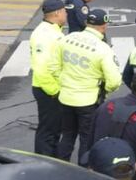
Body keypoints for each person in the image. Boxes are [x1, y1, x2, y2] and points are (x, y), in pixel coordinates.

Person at [52, 9, 123, 165]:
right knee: (86, 138)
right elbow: (115, 80)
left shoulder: (67, 39)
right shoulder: (103, 48)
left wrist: (64, 82)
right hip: (88, 101)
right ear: (104, 26)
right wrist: (105, 90)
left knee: (68, 135)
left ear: (87, 23)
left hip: (65, 97)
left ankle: (60, 166)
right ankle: (83, 171)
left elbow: (54, 67)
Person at [31, 0, 67, 157]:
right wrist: (54, 91)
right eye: (65, 11)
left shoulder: (53, 30)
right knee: (48, 130)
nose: (66, 15)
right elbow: (41, 67)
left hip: (51, 88)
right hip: (48, 90)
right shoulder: (45, 35)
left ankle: (51, 158)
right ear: (57, 13)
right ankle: (45, 160)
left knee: (54, 128)